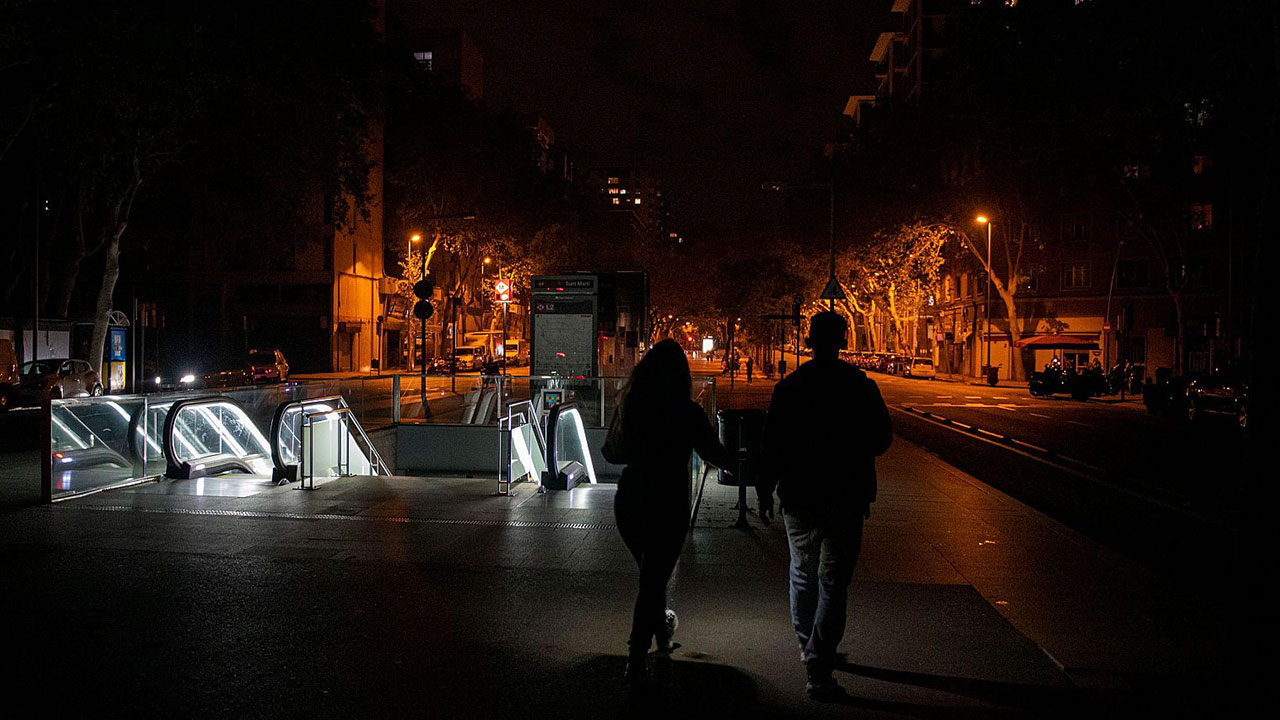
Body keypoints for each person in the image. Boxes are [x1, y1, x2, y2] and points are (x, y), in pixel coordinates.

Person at [758, 312, 892, 700]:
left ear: (809, 341)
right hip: (846, 496)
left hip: (800, 496)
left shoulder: (790, 388)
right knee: (834, 583)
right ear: (843, 340)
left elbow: (772, 447)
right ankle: (820, 661)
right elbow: (882, 440)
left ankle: (809, 647)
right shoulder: (860, 386)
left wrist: (765, 490)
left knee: (802, 572)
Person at [602, 339, 733, 683]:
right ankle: (636, 654)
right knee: (653, 578)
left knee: (651, 575)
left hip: (630, 499)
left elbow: (611, 454)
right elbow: (715, 454)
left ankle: (662, 634)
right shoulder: (686, 411)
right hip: (668, 501)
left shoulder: (632, 406)